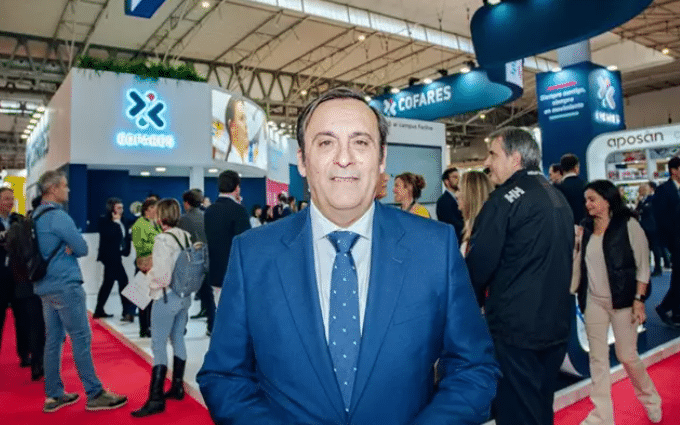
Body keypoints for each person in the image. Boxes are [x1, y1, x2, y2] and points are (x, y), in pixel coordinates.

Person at [197, 87, 499, 424]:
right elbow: (224, 376)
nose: (344, 158)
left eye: (361, 142)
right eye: (326, 142)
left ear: (381, 158)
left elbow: (474, 368)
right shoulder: (253, 254)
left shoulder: (433, 247)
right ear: (302, 160)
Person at [466, 128, 574, 425]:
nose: (487, 163)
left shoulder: (504, 201)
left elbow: (479, 264)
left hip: (516, 329)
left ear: (515, 158)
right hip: (555, 324)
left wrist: (467, 308)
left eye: (493, 154)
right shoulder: (556, 196)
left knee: (516, 411)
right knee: (540, 407)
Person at [33, 170, 127, 413]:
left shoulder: (36, 215)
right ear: (52, 189)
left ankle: (53, 395)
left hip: (45, 285)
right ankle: (94, 392)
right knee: (80, 337)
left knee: (53, 340)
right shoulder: (58, 216)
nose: (68, 189)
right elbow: (82, 248)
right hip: (65, 284)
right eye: (64, 185)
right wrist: (71, 246)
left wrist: (70, 246)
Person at [573, 180, 662, 425]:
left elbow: (643, 266)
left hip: (624, 301)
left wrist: (639, 300)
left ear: (607, 199)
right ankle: (601, 417)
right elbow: (580, 263)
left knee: (627, 356)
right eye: (586, 200)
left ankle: (651, 400)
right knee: (597, 360)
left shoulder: (629, 224)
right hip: (594, 302)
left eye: (592, 199)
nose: (587, 204)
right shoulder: (585, 227)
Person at [132, 199, 193, 417]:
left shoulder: (162, 239)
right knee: (178, 339)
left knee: (158, 345)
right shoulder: (184, 236)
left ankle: (156, 398)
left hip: (166, 298)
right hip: (184, 297)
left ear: (160, 216)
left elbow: (163, 277)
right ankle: (177, 387)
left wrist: (148, 279)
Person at [0, 187, 37, 371]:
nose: (10, 202)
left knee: (23, 317)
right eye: (6, 199)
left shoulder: (19, 220)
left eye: (12, 199)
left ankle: (25, 354)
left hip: (19, 276)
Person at [204, 170, 251, 307]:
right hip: (235, 273)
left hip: (215, 273)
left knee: (220, 310)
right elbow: (246, 242)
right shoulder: (239, 210)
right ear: (237, 188)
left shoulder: (209, 211)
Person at [179, 189, 213, 334]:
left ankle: (181, 327)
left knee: (184, 295)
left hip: (191, 261)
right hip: (207, 260)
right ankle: (212, 326)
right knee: (208, 295)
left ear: (186, 203)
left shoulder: (183, 220)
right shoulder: (207, 217)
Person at [653, 156, 680, 327]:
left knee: (678, 277)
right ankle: (665, 307)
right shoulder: (663, 190)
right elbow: (662, 218)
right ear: (674, 170)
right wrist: (671, 242)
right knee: (679, 276)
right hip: (675, 242)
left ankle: (675, 311)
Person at [94, 198, 133, 321]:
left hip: (117, 255)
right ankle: (127, 311)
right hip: (109, 257)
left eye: (122, 207)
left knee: (108, 283)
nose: (121, 210)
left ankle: (99, 310)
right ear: (111, 209)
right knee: (123, 281)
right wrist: (116, 223)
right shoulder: (104, 221)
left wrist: (126, 249)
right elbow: (110, 236)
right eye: (118, 208)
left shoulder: (124, 221)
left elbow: (126, 236)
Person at [131, 198, 161, 338]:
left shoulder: (155, 224)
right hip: (145, 264)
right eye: (155, 208)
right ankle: (144, 327)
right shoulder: (139, 225)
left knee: (153, 298)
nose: (157, 211)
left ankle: (151, 326)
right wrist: (158, 244)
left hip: (155, 263)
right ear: (147, 210)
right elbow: (140, 246)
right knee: (143, 299)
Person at [456, 170, 493, 256]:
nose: (456, 195)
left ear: (471, 195)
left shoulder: (483, 235)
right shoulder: (474, 229)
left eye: (459, 190)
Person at [636, 182, 665, 277]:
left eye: (641, 189)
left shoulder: (653, 199)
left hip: (653, 227)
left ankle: (658, 268)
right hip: (643, 227)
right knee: (645, 249)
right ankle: (646, 269)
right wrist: (639, 202)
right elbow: (638, 211)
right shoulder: (641, 200)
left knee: (655, 249)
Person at [556, 153, 587, 225]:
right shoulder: (586, 185)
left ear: (562, 169)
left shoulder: (557, 188)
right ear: (576, 168)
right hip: (583, 226)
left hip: (565, 226)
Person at [436, 167, 464, 242]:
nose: (458, 179)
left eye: (459, 177)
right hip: (454, 241)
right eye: (455, 177)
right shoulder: (443, 201)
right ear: (446, 182)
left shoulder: (462, 198)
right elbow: (452, 224)